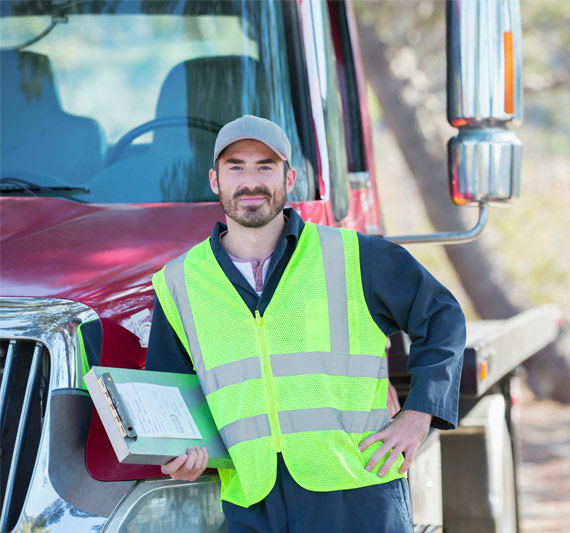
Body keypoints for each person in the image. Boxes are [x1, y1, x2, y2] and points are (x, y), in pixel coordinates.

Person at [145, 115, 466, 532]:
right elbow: (169, 391)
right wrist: (179, 453)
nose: (250, 181)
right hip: (252, 502)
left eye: (265, 166)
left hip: (356, 491)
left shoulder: (353, 256)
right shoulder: (179, 282)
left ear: (290, 177)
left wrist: (419, 413)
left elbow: (442, 316)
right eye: (235, 167)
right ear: (214, 180)